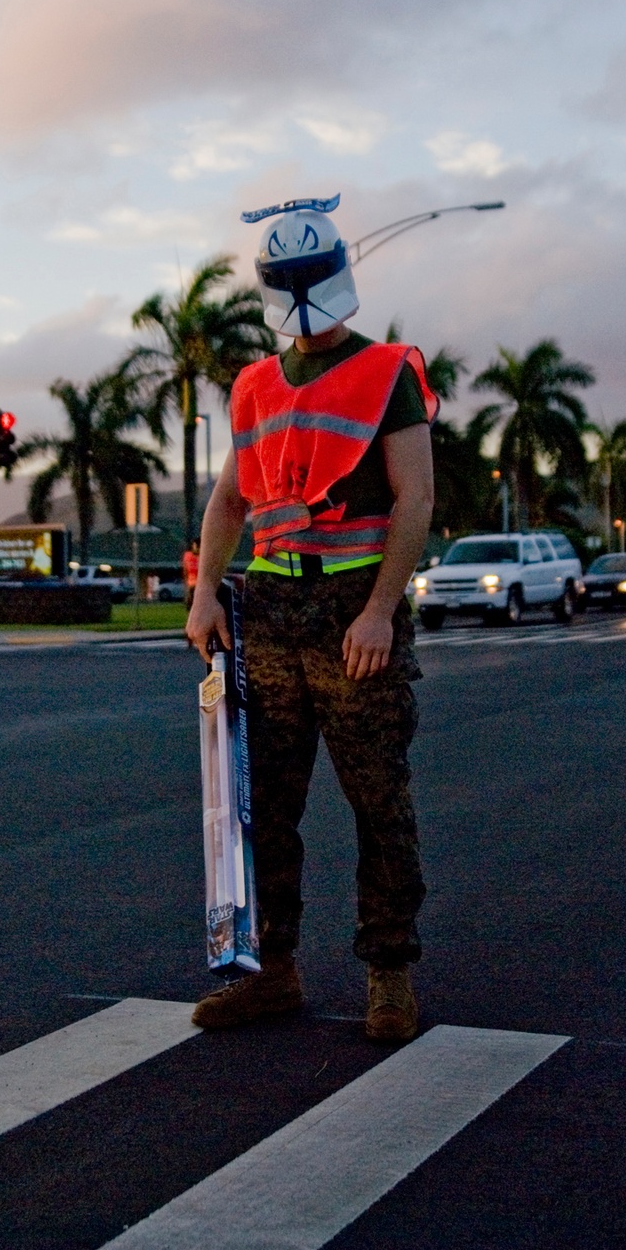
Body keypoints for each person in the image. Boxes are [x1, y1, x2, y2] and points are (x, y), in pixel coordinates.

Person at [187, 194, 438, 1042]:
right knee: (265, 805)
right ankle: (273, 971)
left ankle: (390, 973)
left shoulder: (387, 371)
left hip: (351, 611)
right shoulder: (256, 385)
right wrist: (204, 594)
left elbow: (415, 500)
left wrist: (378, 610)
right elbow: (230, 500)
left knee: (377, 799)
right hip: (271, 611)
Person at [182, 540, 200, 610]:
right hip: (191, 583)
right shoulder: (188, 555)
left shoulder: (202, 556)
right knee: (190, 603)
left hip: (199, 584)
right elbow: (185, 569)